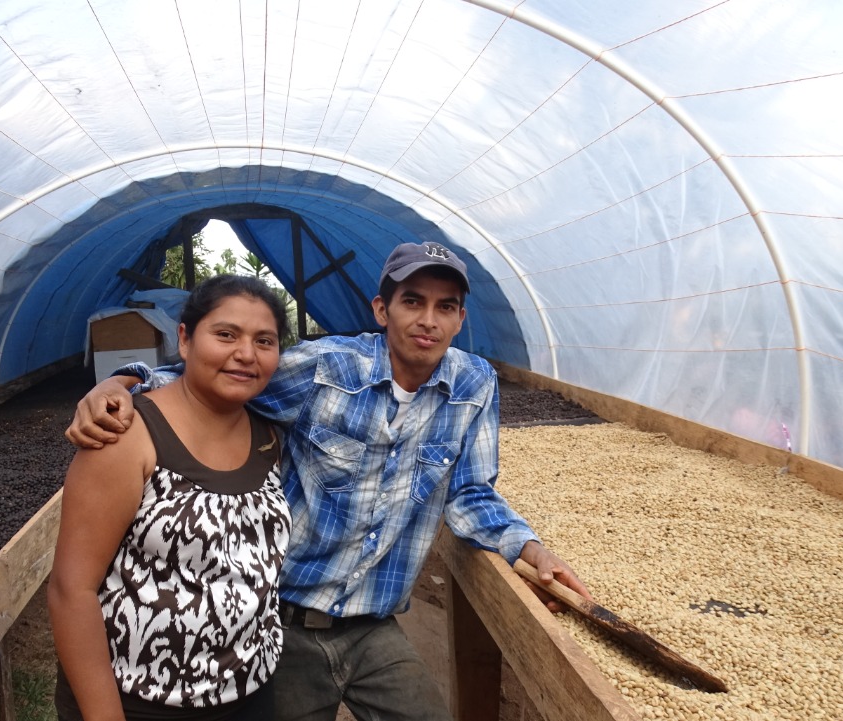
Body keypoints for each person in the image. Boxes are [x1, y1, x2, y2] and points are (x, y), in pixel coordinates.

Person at [66, 241, 591, 721]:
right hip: (283, 621)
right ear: (382, 310)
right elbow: (227, 377)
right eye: (412, 301)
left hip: (373, 625)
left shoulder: (474, 386)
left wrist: (529, 548)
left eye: (446, 306)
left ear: (460, 319)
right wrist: (122, 382)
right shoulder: (326, 369)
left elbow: (472, 491)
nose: (428, 320)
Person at [49, 275, 292, 721]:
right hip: (143, 703)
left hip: (249, 693)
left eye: (264, 341)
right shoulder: (128, 436)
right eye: (226, 334)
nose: (246, 353)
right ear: (184, 339)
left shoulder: (269, 437)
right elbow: (71, 591)